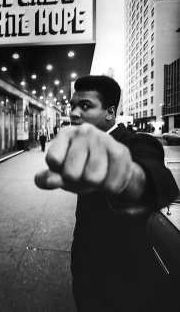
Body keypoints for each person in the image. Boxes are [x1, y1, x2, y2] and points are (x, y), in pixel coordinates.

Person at [35, 75, 179, 312]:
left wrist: (125, 178)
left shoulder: (138, 142)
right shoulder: (82, 144)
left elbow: (154, 174)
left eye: (85, 106)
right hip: (84, 271)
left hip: (125, 284)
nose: (74, 113)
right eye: (72, 106)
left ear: (110, 113)